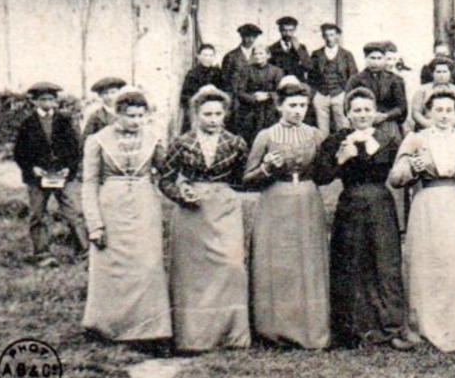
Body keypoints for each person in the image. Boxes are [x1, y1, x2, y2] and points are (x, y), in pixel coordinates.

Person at [311, 87, 408, 350]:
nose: (362, 115)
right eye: (357, 110)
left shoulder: (387, 138)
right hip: (350, 204)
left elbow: (398, 171)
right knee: (348, 264)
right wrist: (341, 159)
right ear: (347, 113)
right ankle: (347, 331)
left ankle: (391, 329)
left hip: (380, 204)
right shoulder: (337, 140)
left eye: (367, 109)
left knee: (385, 264)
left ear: (375, 111)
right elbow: (321, 176)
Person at [389, 85, 455, 352]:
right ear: (428, 113)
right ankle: (422, 331)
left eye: (449, 111)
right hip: (427, 204)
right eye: (438, 110)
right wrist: (411, 168)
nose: (444, 115)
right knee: (427, 264)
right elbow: (395, 178)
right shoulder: (416, 139)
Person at [159, 85, 251, 353]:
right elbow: (164, 179)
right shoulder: (181, 143)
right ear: (196, 114)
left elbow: (242, 178)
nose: (213, 119)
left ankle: (232, 335)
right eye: (207, 114)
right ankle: (192, 338)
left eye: (218, 114)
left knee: (231, 265)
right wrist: (181, 192)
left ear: (225, 115)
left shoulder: (235, 143)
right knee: (193, 274)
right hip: (191, 213)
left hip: (224, 210)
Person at [80, 88, 171, 344]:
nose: (137, 121)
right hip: (111, 209)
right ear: (117, 115)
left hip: (145, 207)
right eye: (131, 116)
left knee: (147, 266)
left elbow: (167, 173)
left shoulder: (153, 139)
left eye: (141, 116)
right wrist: (95, 224)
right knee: (111, 267)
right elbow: (89, 184)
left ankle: (152, 332)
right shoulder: (97, 140)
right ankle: (105, 327)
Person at [243, 81, 330, 349]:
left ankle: (311, 328)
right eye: (292, 106)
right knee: (278, 261)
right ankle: (274, 329)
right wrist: (267, 168)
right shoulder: (266, 136)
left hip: (306, 198)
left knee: (308, 260)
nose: (298, 111)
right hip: (276, 201)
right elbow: (247, 179)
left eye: (303, 106)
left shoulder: (315, 135)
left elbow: (325, 174)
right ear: (279, 106)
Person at [12, 80, 89, 263]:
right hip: (37, 177)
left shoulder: (64, 121)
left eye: (51, 99)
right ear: (35, 102)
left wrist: (68, 168)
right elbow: (19, 152)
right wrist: (33, 168)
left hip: (62, 175)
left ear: (56, 101)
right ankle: (42, 253)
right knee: (38, 214)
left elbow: (75, 149)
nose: (47, 103)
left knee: (74, 212)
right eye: (43, 99)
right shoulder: (27, 123)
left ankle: (84, 250)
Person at [307, 23, 358, 133]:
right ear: (323, 37)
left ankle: (344, 149)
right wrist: (315, 94)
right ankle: (323, 149)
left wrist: (346, 94)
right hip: (322, 94)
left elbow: (353, 76)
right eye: (327, 35)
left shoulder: (346, 55)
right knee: (322, 129)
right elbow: (311, 77)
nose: (329, 38)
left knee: (343, 126)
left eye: (332, 35)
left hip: (340, 94)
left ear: (338, 36)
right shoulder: (317, 54)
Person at [231, 44, 284, 145]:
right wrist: (254, 98)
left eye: (261, 53)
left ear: (268, 55)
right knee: (250, 139)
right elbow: (240, 92)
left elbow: (280, 92)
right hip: (251, 110)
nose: (258, 56)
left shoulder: (276, 71)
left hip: (269, 110)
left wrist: (268, 95)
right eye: (255, 54)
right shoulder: (246, 70)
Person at [350, 42, 407, 127]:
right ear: (365, 58)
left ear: (384, 59)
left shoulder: (395, 80)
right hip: (363, 122)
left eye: (379, 58)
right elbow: (347, 105)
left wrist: (386, 116)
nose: (376, 62)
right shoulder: (355, 79)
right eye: (372, 58)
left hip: (388, 122)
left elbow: (401, 107)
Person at [178, 45, 227, 132]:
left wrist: (216, 91)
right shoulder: (192, 74)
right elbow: (184, 97)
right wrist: (200, 93)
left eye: (210, 55)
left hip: (214, 112)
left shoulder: (218, 73)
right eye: (205, 55)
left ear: (214, 57)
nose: (207, 58)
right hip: (197, 114)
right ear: (198, 56)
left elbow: (226, 94)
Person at [410, 58, 455, 131]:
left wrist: (448, 125)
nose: (442, 75)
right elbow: (416, 113)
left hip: (451, 127)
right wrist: (428, 124)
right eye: (438, 72)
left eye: (445, 72)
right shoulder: (422, 90)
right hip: (427, 127)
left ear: (450, 73)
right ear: (432, 73)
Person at [266, 16, 312, 82]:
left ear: (295, 30)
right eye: (284, 30)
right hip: (279, 85)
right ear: (279, 30)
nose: (287, 34)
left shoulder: (301, 47)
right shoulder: (272, 49)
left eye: (290, 30)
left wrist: (298, 50)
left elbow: (308, 67)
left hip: (298, 85)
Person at [220, 23, 262, 96]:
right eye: (248, 36)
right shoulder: (231, 56)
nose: (251, 40)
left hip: (254, 97)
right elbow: (225, 80)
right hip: (236, 97)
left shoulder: (260, 55)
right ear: (242, 36)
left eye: (254, 37)